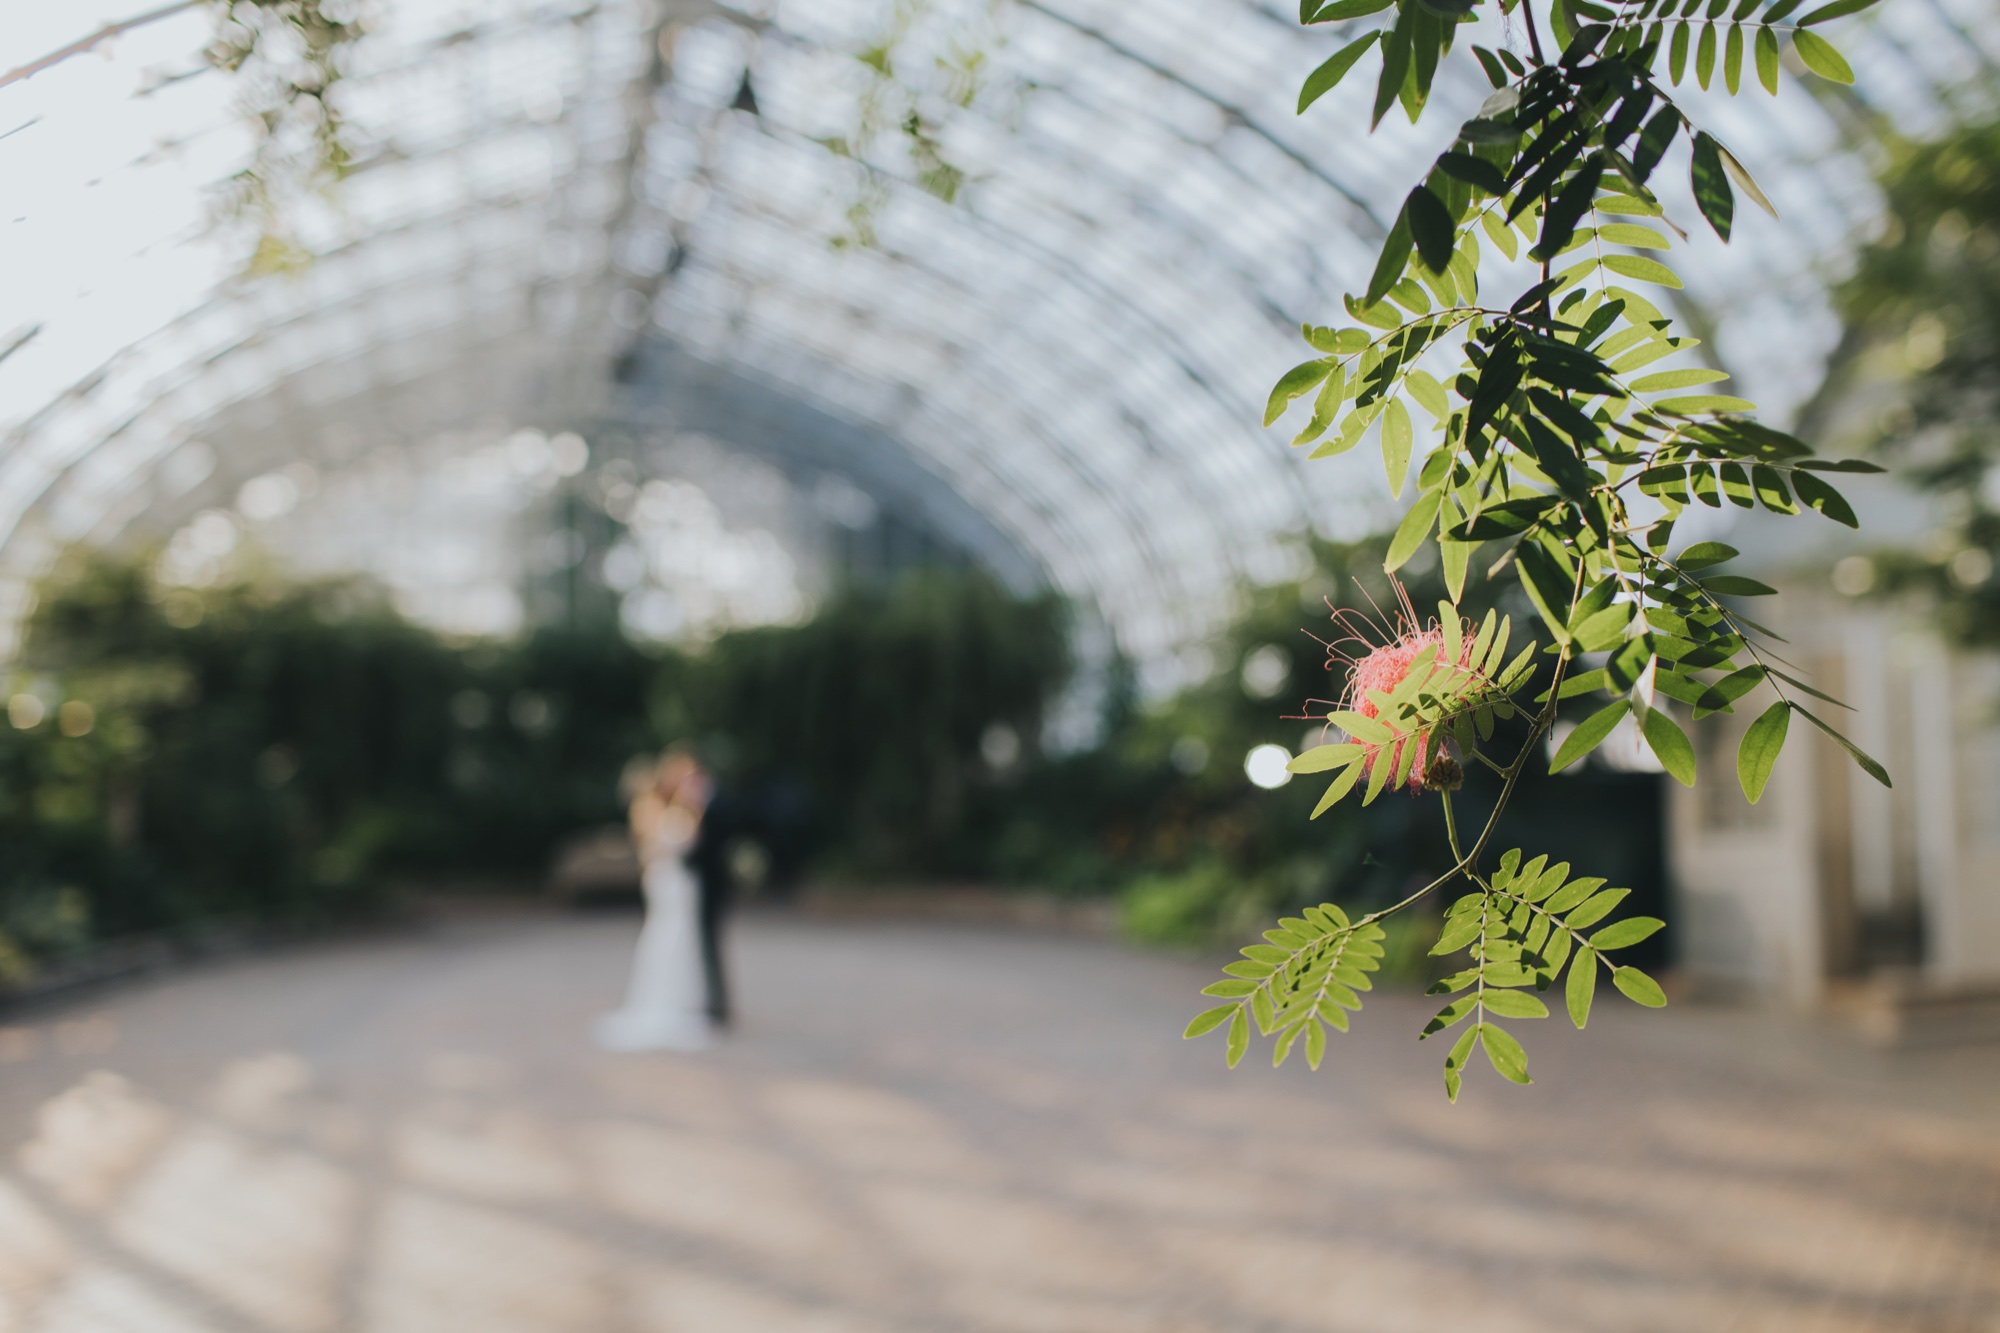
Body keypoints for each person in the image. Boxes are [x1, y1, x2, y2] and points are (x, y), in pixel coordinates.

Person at [593, 750, 714, 1052]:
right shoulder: (650, 810)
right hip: (666, 881)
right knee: (666, 936)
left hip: (679, 883)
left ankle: (681, 1002)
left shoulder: (676, 809)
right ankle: (661, 1004)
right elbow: (656, 848)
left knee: (679, 940)